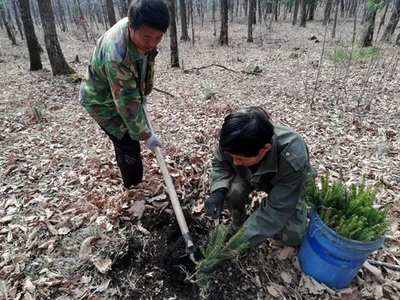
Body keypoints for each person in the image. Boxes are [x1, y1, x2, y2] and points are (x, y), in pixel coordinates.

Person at [203, 107, 315, 270]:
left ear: (265, 149)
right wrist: (218, 191)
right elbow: (221, 162)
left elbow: (275, 210)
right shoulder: (234, 138)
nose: (235, 162)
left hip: (289, 185)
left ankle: (245, 234)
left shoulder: (293, 157)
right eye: (232, 156)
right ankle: (237, 226)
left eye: (240, 158)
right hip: (251, 174)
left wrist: (231, 250)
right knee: (232, 191)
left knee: (292, 237)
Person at [79, 0, 169, 188]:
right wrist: (146, 135)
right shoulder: (117, 55)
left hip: (120, 92)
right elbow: (127, 104)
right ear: (131, 27)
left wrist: (143, 92)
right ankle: (133, 187)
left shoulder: (140, 30)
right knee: (128, 144)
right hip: (102, 101)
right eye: (147, 38)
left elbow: (142, 67)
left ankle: (133, 180)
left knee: (130, 138)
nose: (152, 43)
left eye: (158, 37)